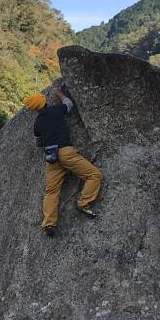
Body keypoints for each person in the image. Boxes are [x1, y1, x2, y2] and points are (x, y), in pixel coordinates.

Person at [24, 86, 102, 238]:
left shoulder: (37, 124)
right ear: (44, 101)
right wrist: (60, 94)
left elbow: (38, 143)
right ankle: (83, 203)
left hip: (51, 158)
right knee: (94, 175)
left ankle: (49, 223)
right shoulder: (55, 110)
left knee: (51, 191)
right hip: (66, 152)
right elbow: (69, 104)